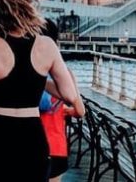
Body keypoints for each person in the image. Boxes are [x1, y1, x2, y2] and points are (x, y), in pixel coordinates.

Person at [0, 0, 84, 182]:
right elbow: (69, 94)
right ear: (27, 6)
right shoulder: (47, 45)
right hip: (31, 139)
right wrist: (34, 81)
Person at [39, 19, 83, 182]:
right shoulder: (66, 74)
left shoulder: (30, 73)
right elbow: (80, 111)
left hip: (31, 143)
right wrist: (66, 111)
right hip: (56, 146)